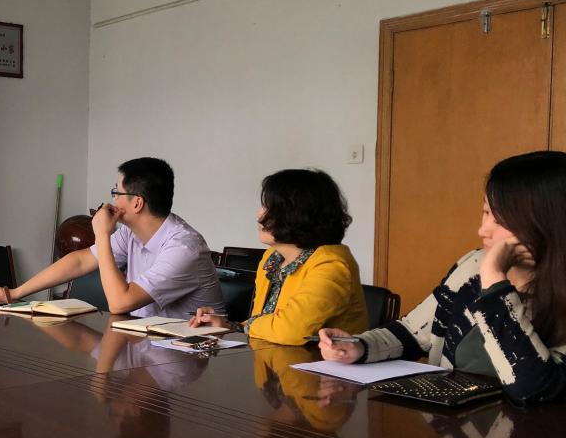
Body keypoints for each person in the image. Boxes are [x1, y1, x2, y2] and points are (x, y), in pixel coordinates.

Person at [318, 151, 566, 405]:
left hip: (527, 429)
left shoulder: (488, 270)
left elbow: (533, 390)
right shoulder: (473, 265)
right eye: (486, 212)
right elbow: (412, 332)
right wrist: (359, 346)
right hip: (452, 422)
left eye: (502, 220)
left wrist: (494, 281)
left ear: (549, 222)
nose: (483, 230)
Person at [0, 157, 224, 318]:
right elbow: (80, 261)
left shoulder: (183, 248)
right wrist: (13, 293)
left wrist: (102, 233)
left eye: (116, 192)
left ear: (137, 203)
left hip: (190, 360)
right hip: (146, 344)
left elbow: (120, 303)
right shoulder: (130, 233)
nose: (112, 199)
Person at [191, 168, 368, 344]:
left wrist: (246, 326)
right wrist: (228, 326)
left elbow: (290, 330)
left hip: (321, 360)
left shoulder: (331, 264)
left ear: (297, 214)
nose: (258, 215)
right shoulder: (272, 258)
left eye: (268, 207)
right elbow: (265, 323)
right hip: (272, 356)